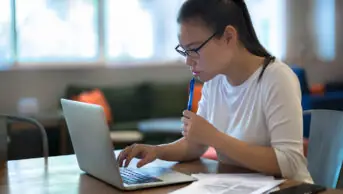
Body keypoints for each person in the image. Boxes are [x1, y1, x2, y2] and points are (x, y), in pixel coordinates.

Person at [118, 0, 313, 183]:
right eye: (184, 51)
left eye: (194, 49)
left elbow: (290, 163)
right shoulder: (215, 80)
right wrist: (157, 151)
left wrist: (214, 137)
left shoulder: (277, 78)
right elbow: (195, 145)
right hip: (239, 186)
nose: (188, 60)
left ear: (229, 36)